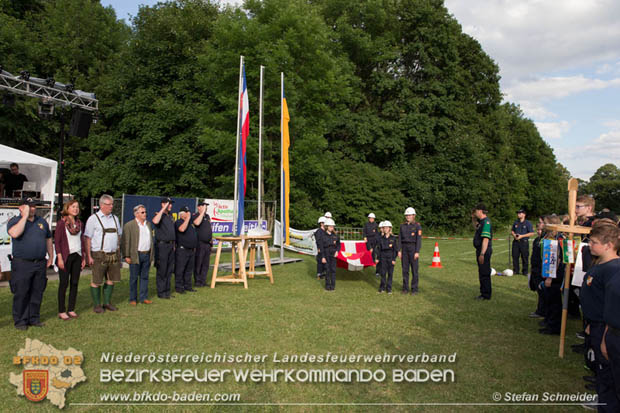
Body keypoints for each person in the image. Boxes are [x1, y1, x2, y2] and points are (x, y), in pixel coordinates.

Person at [580, 221, 620, 410]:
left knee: (607, 370)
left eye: (594, 242)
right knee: (601, 367)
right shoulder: (599, 263)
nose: (590, 245)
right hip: (596, 324)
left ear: (609, 245)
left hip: (605, 328)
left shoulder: (613, 269)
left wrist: (604, 332)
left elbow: (610, 305)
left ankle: (607, 403)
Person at [7, 198, 53, 330]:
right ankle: (20, 320)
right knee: (21, 292)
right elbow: (15, 233)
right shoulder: (15, 221)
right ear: (20, 208)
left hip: (39, 262)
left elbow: (48, 238)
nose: (32, 209)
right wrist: (25, 216)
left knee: (37, 291)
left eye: (34, 206)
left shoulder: (42, 221)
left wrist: (51, 256)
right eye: (29, 206)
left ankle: (34, 318)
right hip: (22, 263)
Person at [84, 194, 122, 313]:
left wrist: (118, 250)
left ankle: (107, 303)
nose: (111, 206)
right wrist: (89, 255)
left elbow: (119, 235)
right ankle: (97, 305)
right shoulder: (93, 219)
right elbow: (88, 238)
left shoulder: (115, 218)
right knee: (96, 280)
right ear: (102, 205)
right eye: (109, 204)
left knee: (111, 279)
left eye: (112, 204)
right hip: (99, 254)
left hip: (113, 253)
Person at [54, 199, 86, 320]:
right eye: (73, 207)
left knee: (74, 283)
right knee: (64, 283)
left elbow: (81, 240)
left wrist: (83, 257)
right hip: (66, 256)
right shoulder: (61, 223)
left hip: (77, 256)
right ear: (67, 208)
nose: (75, 209)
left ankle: (71, 309)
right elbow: (57, 242)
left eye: (77, 207)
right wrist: (60, 258)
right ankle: (61, 310)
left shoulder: (79, 224)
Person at [121, 204, 154, 305]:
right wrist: (126, 256)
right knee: (134, 278)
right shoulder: (129, 225)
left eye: (145, 212)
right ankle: (133, 299)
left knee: (144, 277)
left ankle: (143, 297)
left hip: (146, 254)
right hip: (135, 255)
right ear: (136, 214)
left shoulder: (148, 224)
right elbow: (125, 241)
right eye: (142, 212)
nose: (145, 214)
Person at [538, 215, 565, 335]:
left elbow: (556, 258)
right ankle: (549, 321)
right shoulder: (549, 237)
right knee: (548, 299)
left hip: (554, 275)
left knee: (554, 301)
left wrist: (550, 277)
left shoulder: (556, 239)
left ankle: (553, 327)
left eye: (545, 223)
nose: (542, 225)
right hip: (548, 272)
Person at [152, 197, 175, 299]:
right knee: (162, 269)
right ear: (163, 204)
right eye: (168, 204)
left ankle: (167, 291)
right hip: (162, 246)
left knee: (169, 269)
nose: (170, 205)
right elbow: (155, 221)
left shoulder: (170, 216)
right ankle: (161, 292)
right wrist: (163, 208)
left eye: (171, 204)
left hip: (170, 245)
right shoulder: (159, 214)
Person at [398, 207, 422, 295]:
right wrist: (399, 250)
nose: (408, 217)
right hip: (404, 249)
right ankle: (405, 288)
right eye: (407, 215)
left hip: (413, 248)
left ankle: (414, 289)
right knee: (405, 270)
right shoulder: (402, 226)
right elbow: (399, 238)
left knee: (414, 270)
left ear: (414, 216)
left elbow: (418, 240)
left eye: (410, 215)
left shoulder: (417, 226)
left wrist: (417, 251)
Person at [175, 206, 197, 294]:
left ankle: (188, 286)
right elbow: (182, 229)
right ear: (181, 214)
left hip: (191, 250)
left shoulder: (190, 223)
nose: (188, 214)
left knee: (189, 269)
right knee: (180, 269)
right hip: (182, 250)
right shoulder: (178, 222)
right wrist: (187, 218)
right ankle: (179, 287)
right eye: (186, 212)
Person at [473, 203, 492, 300]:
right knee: (482, 272)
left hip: (484, 251)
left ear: (480, 211)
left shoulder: (486, 222)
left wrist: (482, 254)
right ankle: (483, 292)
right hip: (480, 250)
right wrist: (473, 219)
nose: (475, 213)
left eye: (476, 211)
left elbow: (485, 239)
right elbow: (476, 228)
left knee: (484, 272)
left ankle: (486, 294)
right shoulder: (481, 222)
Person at [374, 221, 399, 294]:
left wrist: (394, 259)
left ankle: (389, 289)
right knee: (383, 273)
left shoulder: (393, 238)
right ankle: (382, 288)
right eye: (384, 228)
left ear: (390, 229)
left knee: (390, 274)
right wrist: (378, 258)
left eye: (387, 228)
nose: (385, 229)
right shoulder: (381, 238)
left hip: (390, 257)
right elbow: (379, 249)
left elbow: (395, 250)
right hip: (383, 257)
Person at [193, 199, 213, 287]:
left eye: (206, 206)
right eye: (203, 206)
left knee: (205, 263)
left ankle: (203, 280)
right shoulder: (196, 215)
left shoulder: (207, 216)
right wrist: (202, 213)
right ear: (199, 207)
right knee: (198, 263)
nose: (206, 208)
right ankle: (197, 281)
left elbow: (209, 228)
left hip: (207, 243)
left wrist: (211, 240)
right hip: (199, 243)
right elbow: (196, 223)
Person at [528, 217, 545, 319]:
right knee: (538, 291)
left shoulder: (545, 241)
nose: (539, 231)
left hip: (541, 270)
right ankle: (540, 310)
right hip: (535, 269)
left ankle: (542, 311)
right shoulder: (536, 240)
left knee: (543, 292)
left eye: (541, 230)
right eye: (538, 229)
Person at [511, 209, 534, 276]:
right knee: (515, 256)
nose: (518, 214)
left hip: (524, 242)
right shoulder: (516, 222)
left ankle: (525, 271)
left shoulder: (528, 223)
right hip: (516, 242)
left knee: (524, 257)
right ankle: (516, 270)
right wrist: (514, 235)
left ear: (524, 214)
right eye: (518, 213)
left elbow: (531, 233)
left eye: (520, 213)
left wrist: (522, 236)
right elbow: (512, 231)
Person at [320, 218, 340, 291]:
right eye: (330, 226)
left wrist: (337, 251)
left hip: (333, 254)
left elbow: (338, 244)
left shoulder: (335, 235)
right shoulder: (323, 236)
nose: (332, 228)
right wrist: (323, 257)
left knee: (333, 270)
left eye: (333, 226)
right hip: (326, 254)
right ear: (326, 227)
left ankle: (333, 286)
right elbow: (321, 247)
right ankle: (327, 286)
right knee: (327, 270)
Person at [363, 213, 379, 277]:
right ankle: (366, 261)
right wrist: (364, 237)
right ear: (369, 218)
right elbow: (364, 231)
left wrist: (377, 239)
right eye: (370, 218)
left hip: (374, 239)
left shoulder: (376, 225)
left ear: (374, 219)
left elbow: (377, 232)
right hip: (368, 239)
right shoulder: (366, 224)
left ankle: (372, 262)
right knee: (368, 250)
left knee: (374, 251)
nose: (371, 219)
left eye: (372, 218)